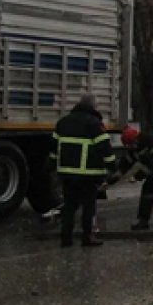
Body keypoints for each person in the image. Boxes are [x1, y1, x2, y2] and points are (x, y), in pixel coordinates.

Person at [49, 93, 116, 247]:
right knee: (89, 206)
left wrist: (51, 167)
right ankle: (87, 237)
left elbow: (53, 149)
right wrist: (113, 167)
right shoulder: (94, 123)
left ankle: (66, 238)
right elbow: (104, 148)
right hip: (88, 175)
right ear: (93, 106)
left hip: (67, 174)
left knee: (69, 206)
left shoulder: (63, 122)